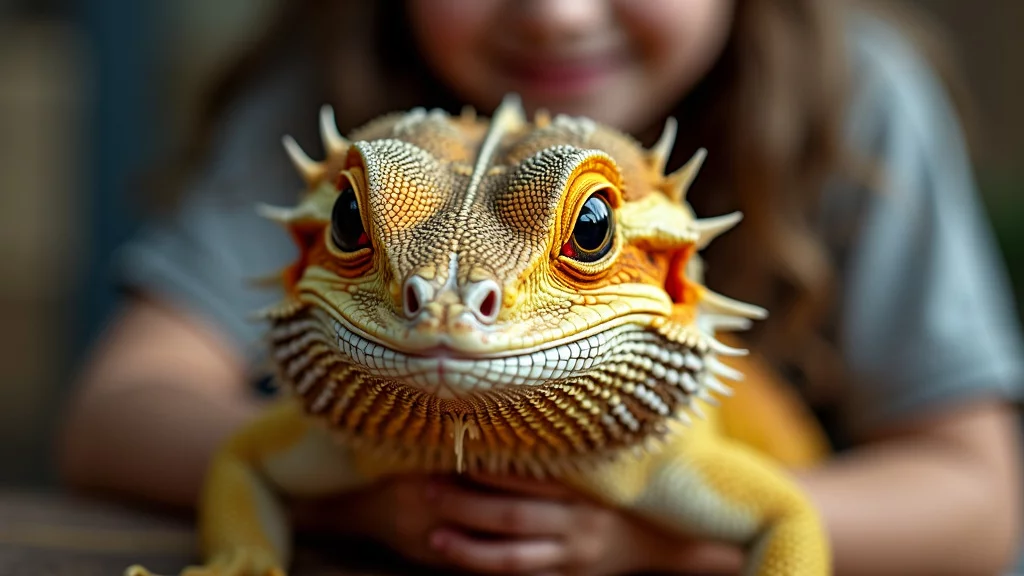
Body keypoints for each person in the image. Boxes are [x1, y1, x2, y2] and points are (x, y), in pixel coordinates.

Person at [58, 0, 1024, 574]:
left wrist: (660, 545)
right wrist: (357, 506)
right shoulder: (329, 104)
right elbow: (116, 413)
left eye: (588, 231)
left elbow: (974, 508)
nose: (556, 10)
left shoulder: (862, 99)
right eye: (358, 228)